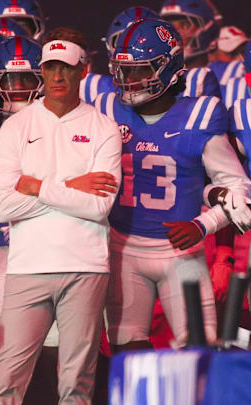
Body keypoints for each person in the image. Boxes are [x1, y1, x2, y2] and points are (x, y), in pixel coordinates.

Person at [94, 18, 251, 354]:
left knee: (198, 352)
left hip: (181, 253)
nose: (128, 80)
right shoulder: (106, 109)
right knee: (127, 354)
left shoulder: (199, 115)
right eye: (123, 70)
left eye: (140, 70)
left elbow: (239, 190)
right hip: (122, 249)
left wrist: (203, 224)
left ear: (170, 69)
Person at [0, 27, 121, 404]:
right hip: (27, 267)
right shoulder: (16, 126)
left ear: (82, 70)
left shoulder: (104, 127)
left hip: (86, 266)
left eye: (66, 68)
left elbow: (99, 207)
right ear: (41, 71)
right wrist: (73, 184)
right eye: (50, 68)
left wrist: (39, 186)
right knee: (7, 376)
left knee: (77, 381)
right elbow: (4, 207)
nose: (57, 77)